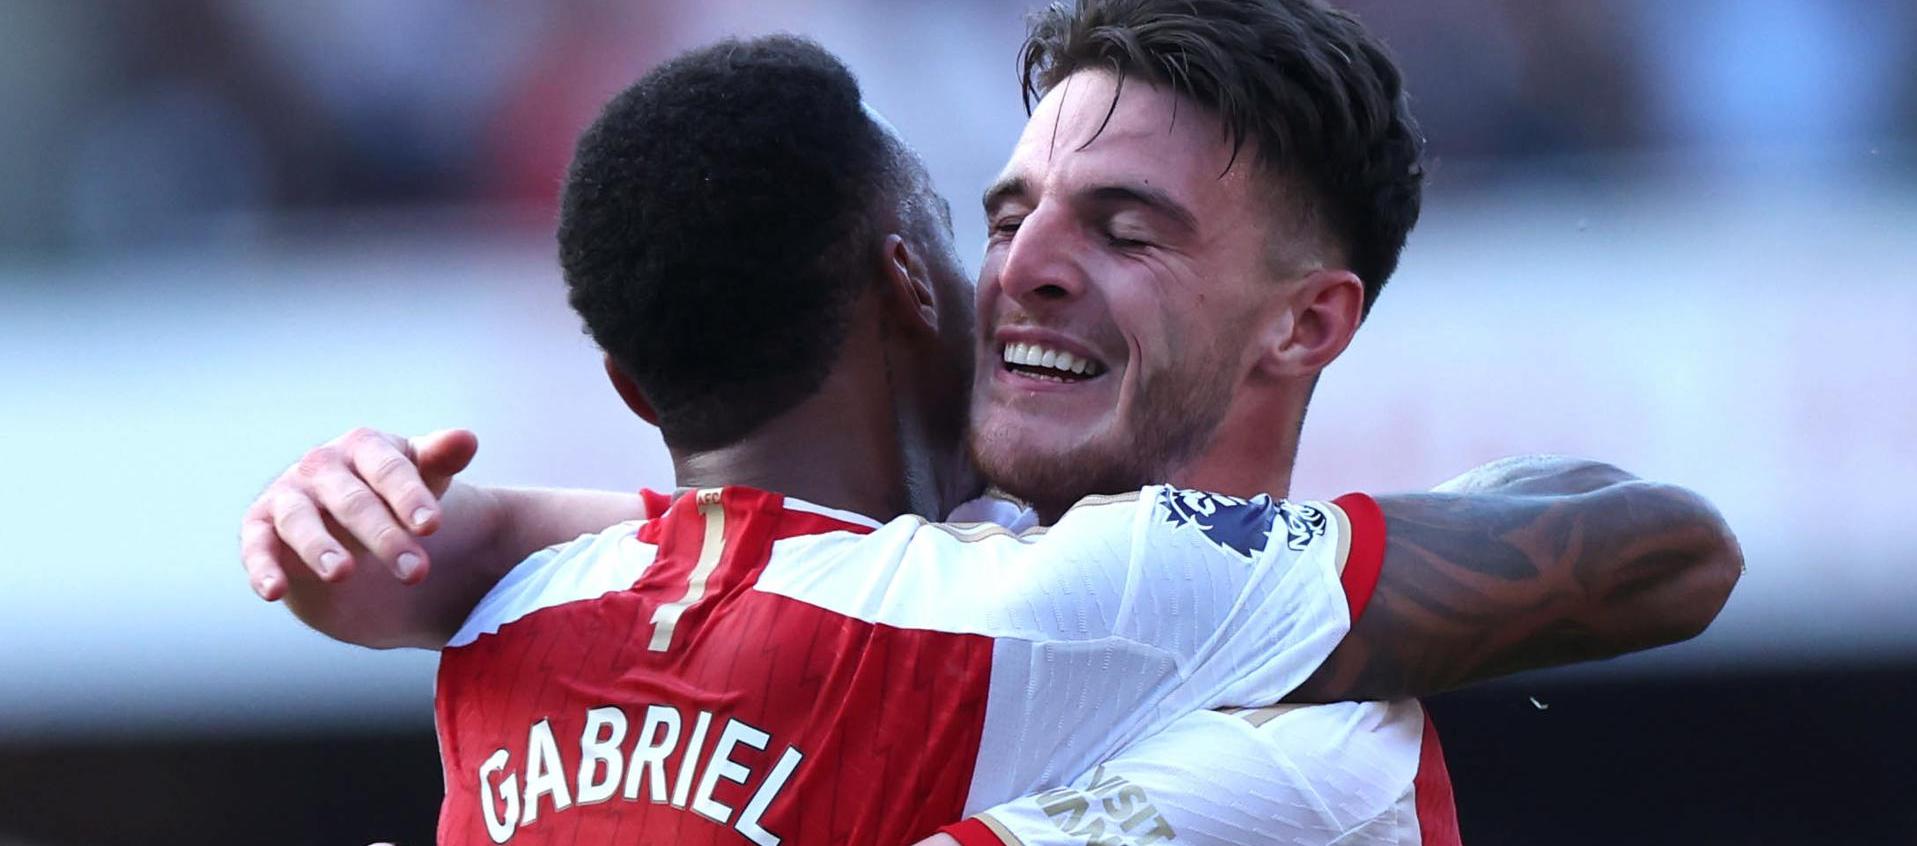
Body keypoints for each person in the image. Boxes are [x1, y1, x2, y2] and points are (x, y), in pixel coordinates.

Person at [240, 8, 1742, 846]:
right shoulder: (958, 596)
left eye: (1125, 230)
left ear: (1304, 322)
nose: (1022, 265)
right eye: (1007, 213)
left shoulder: (1302, 750)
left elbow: (1667, 543)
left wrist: (478, 532)